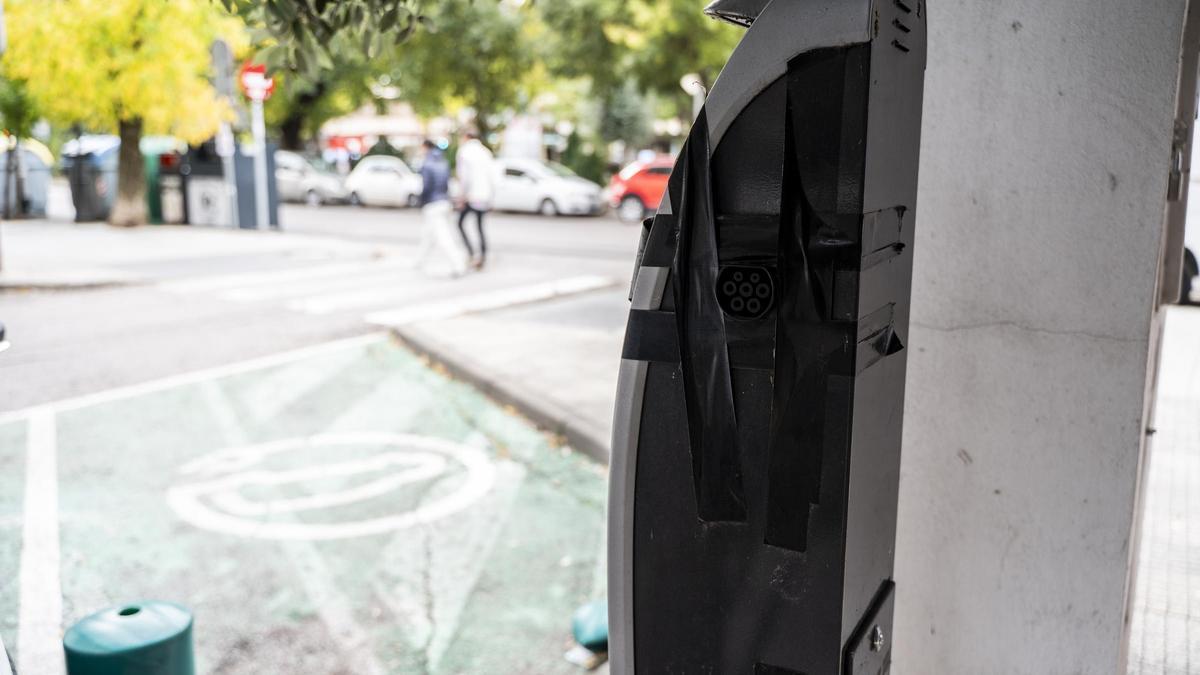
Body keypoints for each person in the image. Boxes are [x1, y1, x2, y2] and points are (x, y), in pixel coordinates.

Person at [412, 140, 468, 277]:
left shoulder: (427, 164)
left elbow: (426, 187)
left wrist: (421, 201)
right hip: (444, 201)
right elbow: (447, 184)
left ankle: (458, 264)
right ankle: (419, 262)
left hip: (433, 204)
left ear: (426, 147)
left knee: (443, 237)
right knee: (428, 235)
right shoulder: (443, 162)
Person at [455, 130, 496, 270]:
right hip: (484, 196)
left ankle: (472, 253)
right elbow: (492, 177)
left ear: (466, 137)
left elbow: (464, 177)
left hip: (471, 196)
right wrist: (491, 197)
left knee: (460, 223)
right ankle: (483, 256)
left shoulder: (464, 152)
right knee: (480, 227)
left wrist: (462, 196)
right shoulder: (486, 152)